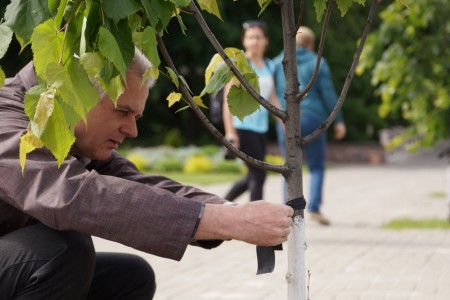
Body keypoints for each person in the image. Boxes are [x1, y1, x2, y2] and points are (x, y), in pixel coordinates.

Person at [0, 49, 294, 299]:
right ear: (78, 95)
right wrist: (222, 222)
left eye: (136, 117)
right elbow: (73, 195)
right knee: (61, 252)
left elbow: (134, 182)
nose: (132, 130)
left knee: (130, 276)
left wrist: (231, 211)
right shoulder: (6, 122)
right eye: (123, 112)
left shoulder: (69, 135)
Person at [273, 26, 346, 225]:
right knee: (316, 166)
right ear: (311, 44)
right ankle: (313, 207)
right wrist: (338, 121)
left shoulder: (277, 62)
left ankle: (286, 212)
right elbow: (328, 93)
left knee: (287, 167)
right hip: (312, 117)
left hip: (285, 120)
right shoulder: (317, 62)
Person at [223, 20, 283, 203]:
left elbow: (271, 97)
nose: (254, 41)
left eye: (258, 37)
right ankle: (256, 223)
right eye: (250, 38)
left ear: (266, 40)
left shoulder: (269, 66)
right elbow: (228, 100)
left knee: (253, 176)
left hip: (260, 128)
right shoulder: (239, 66)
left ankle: (222, 204)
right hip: (242, 125)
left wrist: (284, 121)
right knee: (259, 175)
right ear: (244, 41)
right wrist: (230, 132)